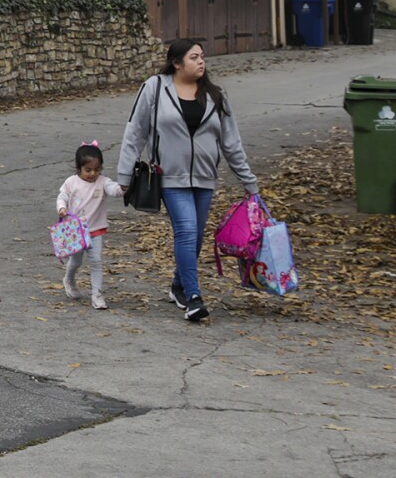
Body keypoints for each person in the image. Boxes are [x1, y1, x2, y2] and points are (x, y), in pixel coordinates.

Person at [114, 38, 260, 323]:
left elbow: (231, 143)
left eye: (202, 56)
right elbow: (135, 132)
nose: (201, 62)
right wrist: (124, 175)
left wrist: (248, 181)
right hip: (169, 176)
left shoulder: (216, 95)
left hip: (205, 177)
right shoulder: (154, 88)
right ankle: (194, 297)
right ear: (177, 63)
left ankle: (178, 286)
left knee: (194, 236)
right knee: (186, 230)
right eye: (194, 57)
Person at [55, 141, 124, 309]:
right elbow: (62, 196)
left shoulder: (103, 181)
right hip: (75, 232)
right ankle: (69, 279)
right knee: (76, 261)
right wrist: (62, 208)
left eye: (97, 169)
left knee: (96, 261)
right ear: (79, 168)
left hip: (95, 230)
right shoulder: (71, 182)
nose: (93, 173)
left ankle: (97, 294)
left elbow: (115, 190)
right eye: (88, 170)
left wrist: (124, 186)